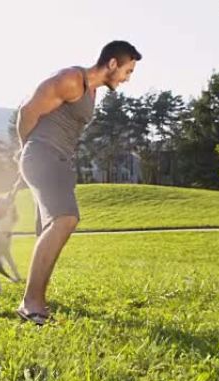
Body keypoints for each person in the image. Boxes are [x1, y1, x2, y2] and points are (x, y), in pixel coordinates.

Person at [14, 40, 141, 325]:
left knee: (49, 228)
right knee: (66, 218)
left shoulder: (92, 91)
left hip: (58, 160)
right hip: (42, 155)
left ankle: (38, 297)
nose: (127, 79)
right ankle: (30, 303)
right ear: (112, 64)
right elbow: (27, 112)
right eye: (127, 71)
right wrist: (26, 149)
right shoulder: (72, 79)